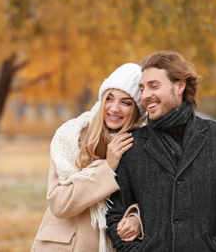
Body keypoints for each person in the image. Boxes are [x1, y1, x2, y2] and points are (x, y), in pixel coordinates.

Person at [106, 50, 216, 251]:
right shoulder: (131, 145)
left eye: (154, 86)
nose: (146, 95)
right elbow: (115, 214)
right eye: (142, 88)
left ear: (180, 85)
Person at [31, 63, 147, 252]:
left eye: (126, 102)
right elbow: (59, 203)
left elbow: (152, 200)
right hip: (63, 246)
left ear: (137, 110)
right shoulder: (72, 135)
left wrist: (136, 217)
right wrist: (107, 168)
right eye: (109, 98)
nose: (114, 108)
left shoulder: (142, 145)